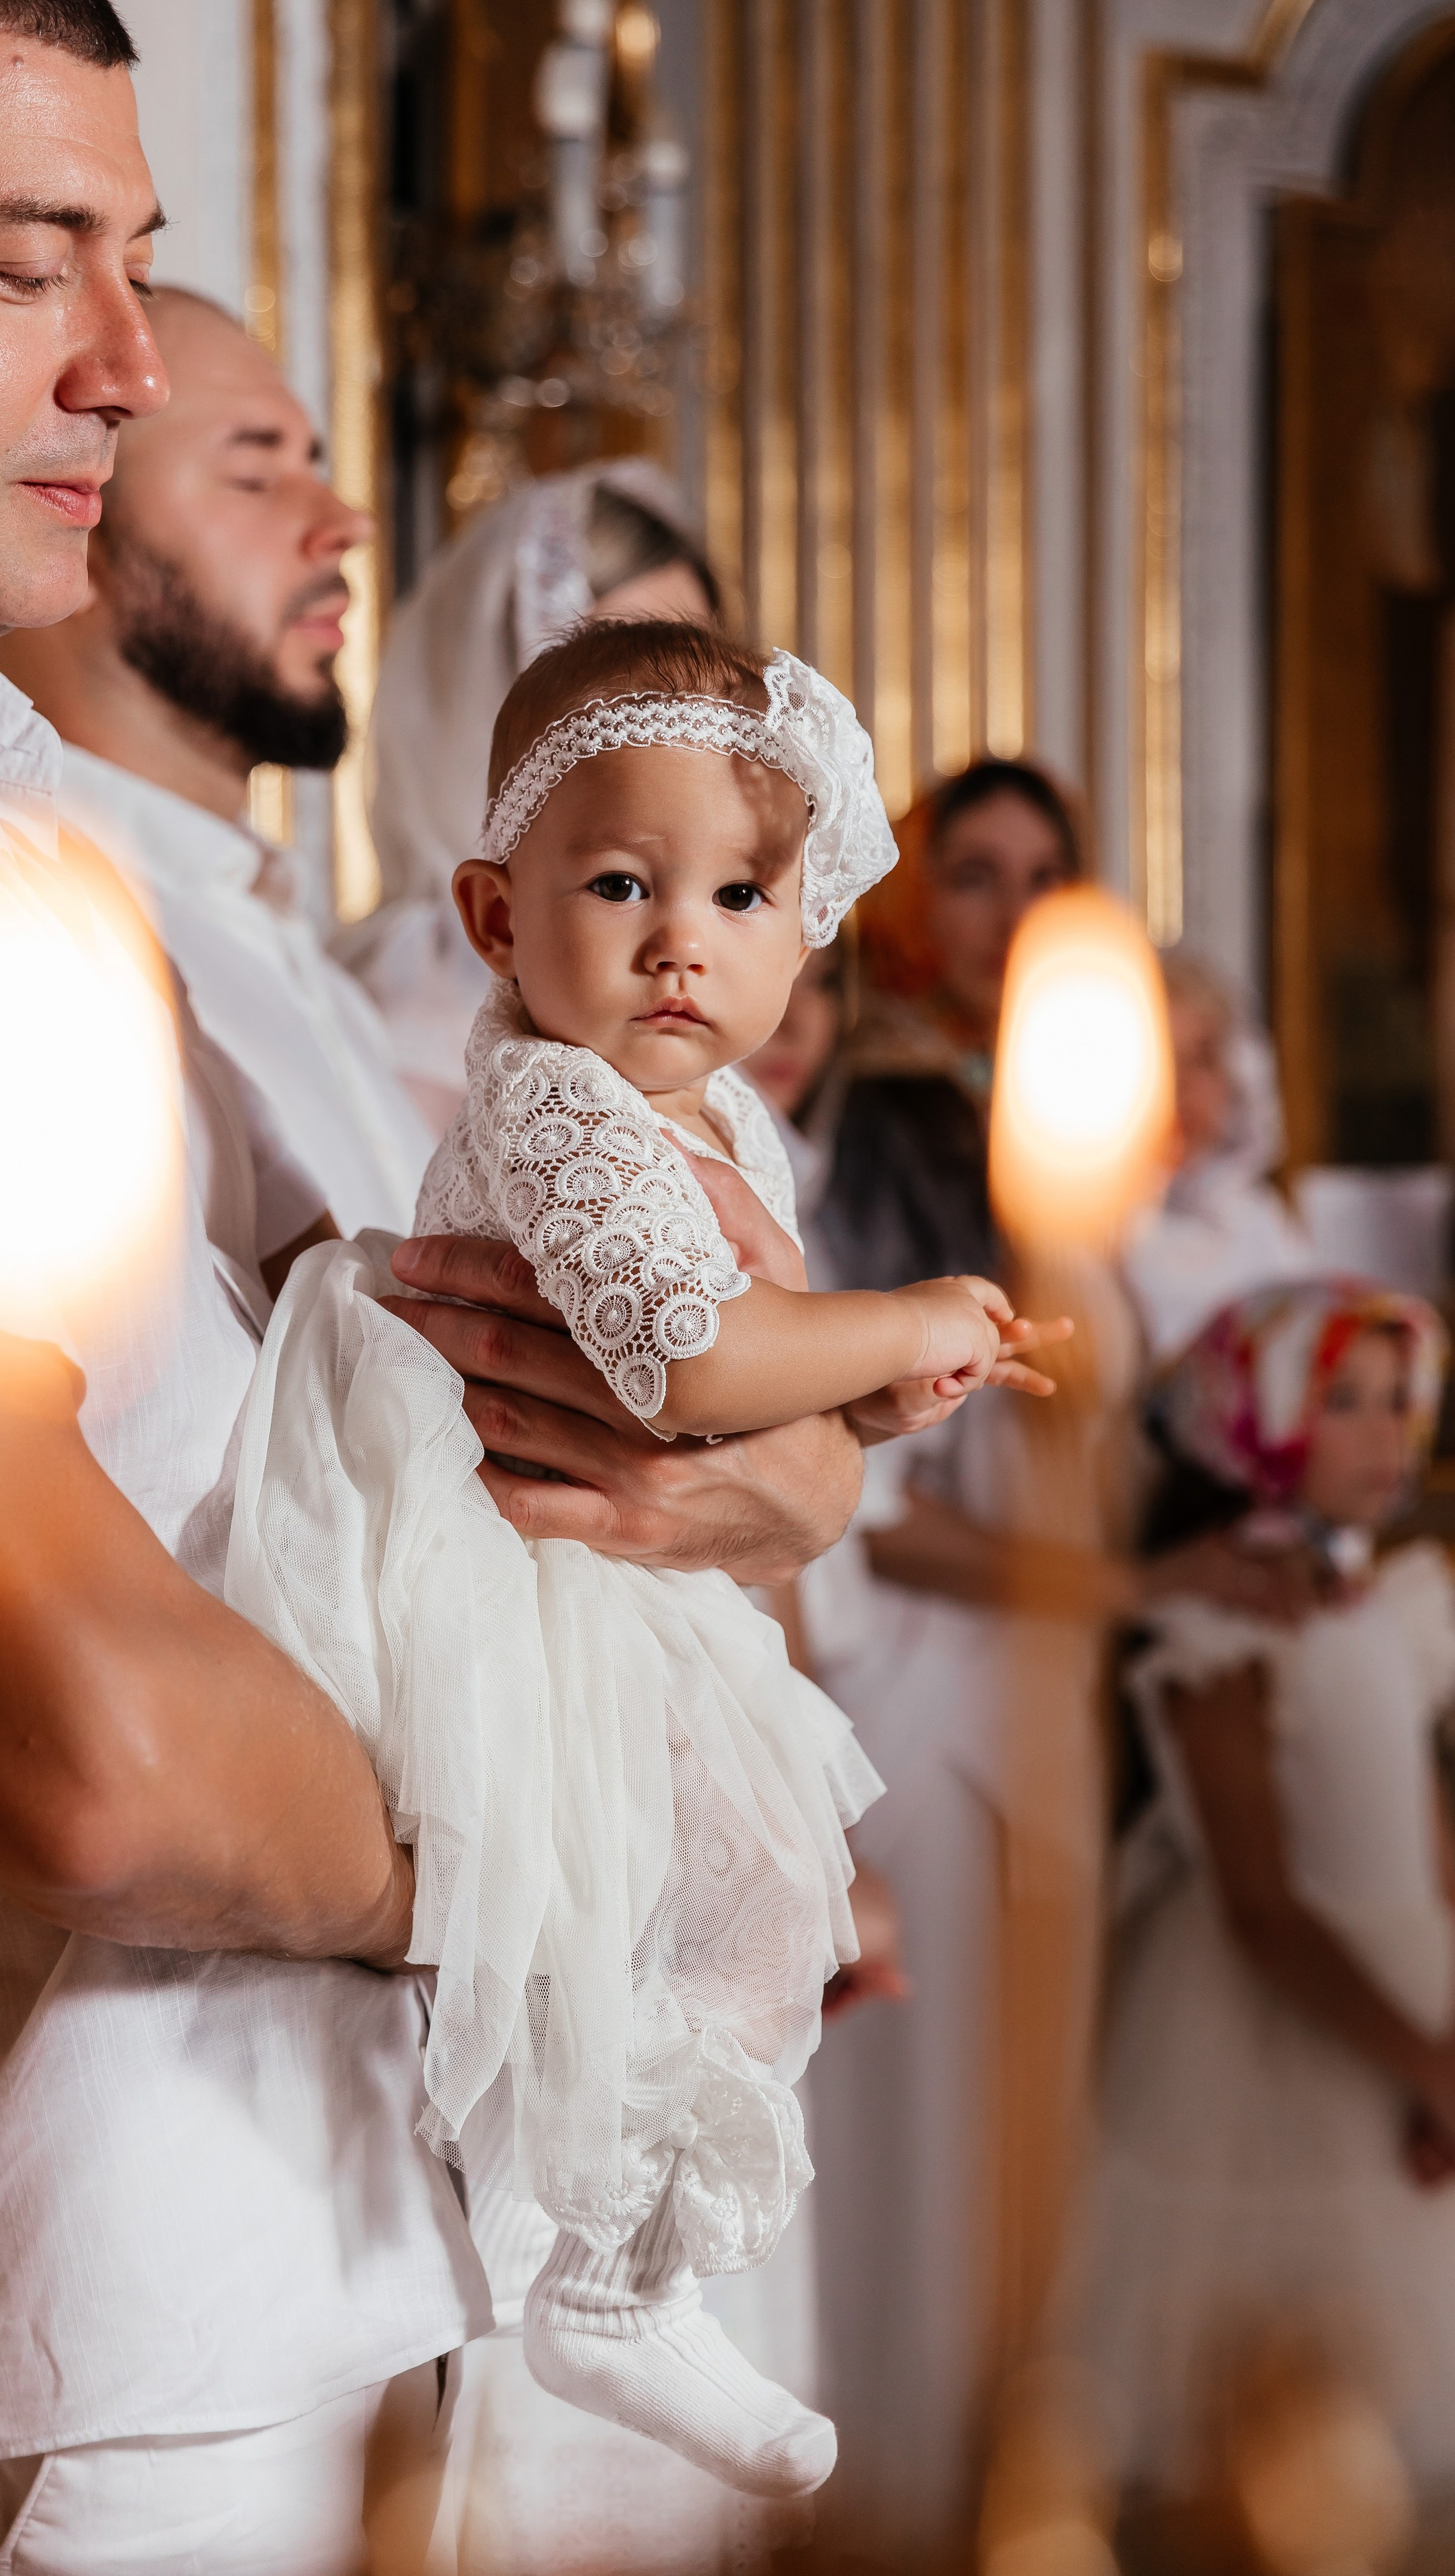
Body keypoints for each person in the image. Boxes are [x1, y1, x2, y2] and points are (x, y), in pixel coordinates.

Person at [0, 0, 865, 2569]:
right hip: (38, 2292)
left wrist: (726, 1493)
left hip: (244, 2245)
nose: (115, 354)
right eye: (26, 265)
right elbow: (79, 1741)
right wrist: (574, 1859)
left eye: (136, 257)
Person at [228, 622, 1065, 2507]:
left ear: (807, 926)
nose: (686, 937)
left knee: (748, 1917)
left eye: (743, 890)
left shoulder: (718, 1111)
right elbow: (686, 1362)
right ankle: (589, 2269)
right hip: (533, 1575)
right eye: (622, 883)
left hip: (650, 1578)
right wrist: (897, 1313)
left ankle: (627, 2270)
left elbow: (761, 1398)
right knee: (614, 1911)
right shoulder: (554, 1106)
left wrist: (879, 1397)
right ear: (495, 918)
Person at [774, 760, 1320, 2562]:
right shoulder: (887, 1129)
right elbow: (875, 1499)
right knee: (910, 2117)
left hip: (1048, 1682)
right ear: (912, 909)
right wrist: (1114, 1586)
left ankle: (1017, 2465)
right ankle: (897, 2483)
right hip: (919, 1680)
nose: (1014, 919)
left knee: (1029, 2108)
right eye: (977, 877)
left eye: (1049, 880)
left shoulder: (1075, 1129)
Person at [1069, 1278, 1455, 2507]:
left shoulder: (1387, 1609)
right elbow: (1262, 1908)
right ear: (1258, 1420)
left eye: (1402, 1403)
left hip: (1408, 1997)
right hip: (1280, 2023)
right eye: (1344, 1402)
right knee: (1267, 2400)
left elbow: (1429, 1844)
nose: (1391, 1435)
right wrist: (1421, 2059)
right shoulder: (1218, 1630)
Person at [0, 284, 434, 1252]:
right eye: (254, 475)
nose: (346, 522)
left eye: (313, 462)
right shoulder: (23, 944)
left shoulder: (309, 973)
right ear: (73, 514)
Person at [346, 460, 720, 1133]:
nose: (675, 722)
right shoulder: (406, 1026)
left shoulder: (715, 955)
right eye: (624, 688)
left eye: (696, 678)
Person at [1122, 949, 1317, 1364]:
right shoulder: (1087, 1235)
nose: (1183, 1086)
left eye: (1202, 1060)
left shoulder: (1261, 1222)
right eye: (1160, 1062)